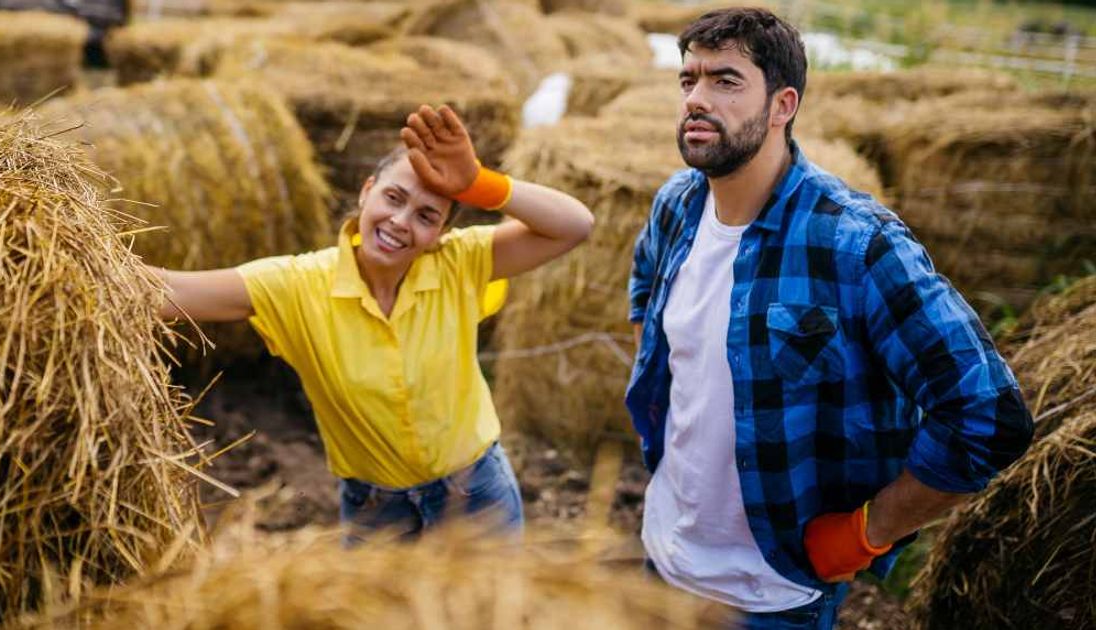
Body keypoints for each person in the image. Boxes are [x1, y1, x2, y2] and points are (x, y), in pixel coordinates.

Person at [625, 8, 1034, 628]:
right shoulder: (675, 207)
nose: (697, 100)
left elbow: (988, 414)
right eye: (689, 81)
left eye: (725, 81)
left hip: (773, 595)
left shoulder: (855, 243)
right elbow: (643, 302)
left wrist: (868, 532)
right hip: (660, 558)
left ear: (782, 104)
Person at [153, 104, 594, 543]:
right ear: (367, 191)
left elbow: (575, 224)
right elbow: (171, 293)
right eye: (394, 198)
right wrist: (84, 242)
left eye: (426, 216)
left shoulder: (460, 262)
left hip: (477, 498)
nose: (400, 223)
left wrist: (479, 183)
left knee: (486, 614)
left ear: (440, 232)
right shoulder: (298, 285)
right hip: (379, 515)